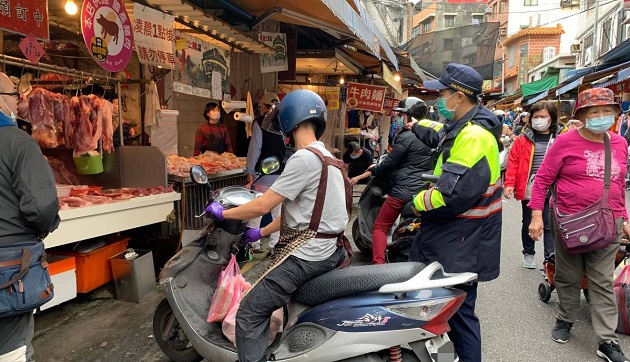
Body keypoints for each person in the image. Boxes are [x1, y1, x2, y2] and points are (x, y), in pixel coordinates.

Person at [204, 89, 350, 362]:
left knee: (248, 311)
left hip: (306, 256)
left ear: (290, 122)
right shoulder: (329, 159)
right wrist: (260, 232)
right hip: (327, 250)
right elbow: (303, 216)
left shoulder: (304, 159)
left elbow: (262, 206)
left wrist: (224, 214)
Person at [406, 63, 503, 362]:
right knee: (447, 311)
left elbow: (451, 196)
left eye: (443, 93)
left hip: (461, 240)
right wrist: (416, 125)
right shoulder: (463, 128)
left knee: (458, 314)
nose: (439, 99)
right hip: (458, 238)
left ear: (459, 96)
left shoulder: (474, 136)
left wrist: (417, 202)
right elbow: (441, 136)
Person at [528, 88, 630, 362]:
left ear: (616, 115)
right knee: (569, 276)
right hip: (569, 222)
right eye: (594, 112)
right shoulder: (565, 142)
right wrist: (536, 216)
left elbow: (618, 184)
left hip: (608, 222)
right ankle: (565, 319)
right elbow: (542, 181)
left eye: (607, 111)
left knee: (602, 282)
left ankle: (607, 341)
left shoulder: (619, 143)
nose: (601, 117)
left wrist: (625, 220)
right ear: (582, 116)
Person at [0, 73, 60, 362]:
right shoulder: (17, 143)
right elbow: (41, 206)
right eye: (14, 95)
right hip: (9, 266)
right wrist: (45, 227)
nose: (18, 100)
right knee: (11, 347)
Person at [352, 98, 433, 264]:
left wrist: (375, 169)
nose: (401, 118)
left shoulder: (407, 136)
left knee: (380, 226)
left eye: (403, 115)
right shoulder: (433, 135)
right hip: (426, 190)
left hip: (404, 191)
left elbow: (390, 163)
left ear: (410, 116)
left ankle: (379, 265)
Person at [504, 101, 560, 269]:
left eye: (543, 116)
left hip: (554, 187)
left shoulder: (560, 138)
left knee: (550, 224)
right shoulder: (523, 139)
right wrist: (509, 183)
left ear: (552, 118)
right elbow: (513, 162)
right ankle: (528, 253)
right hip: (530, 186)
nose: (539, 120)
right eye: (536, 117)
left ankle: (549, 260)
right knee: (528, 221)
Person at [244, 92, 286, 255]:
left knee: (256, 209)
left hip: (263, 174)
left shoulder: (261, 122)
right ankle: (275, 245)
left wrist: (250, 171)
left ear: (264, 107)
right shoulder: (285, 124)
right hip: (282, 175)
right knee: (278, 213)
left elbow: (255, 149)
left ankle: (254, 244)